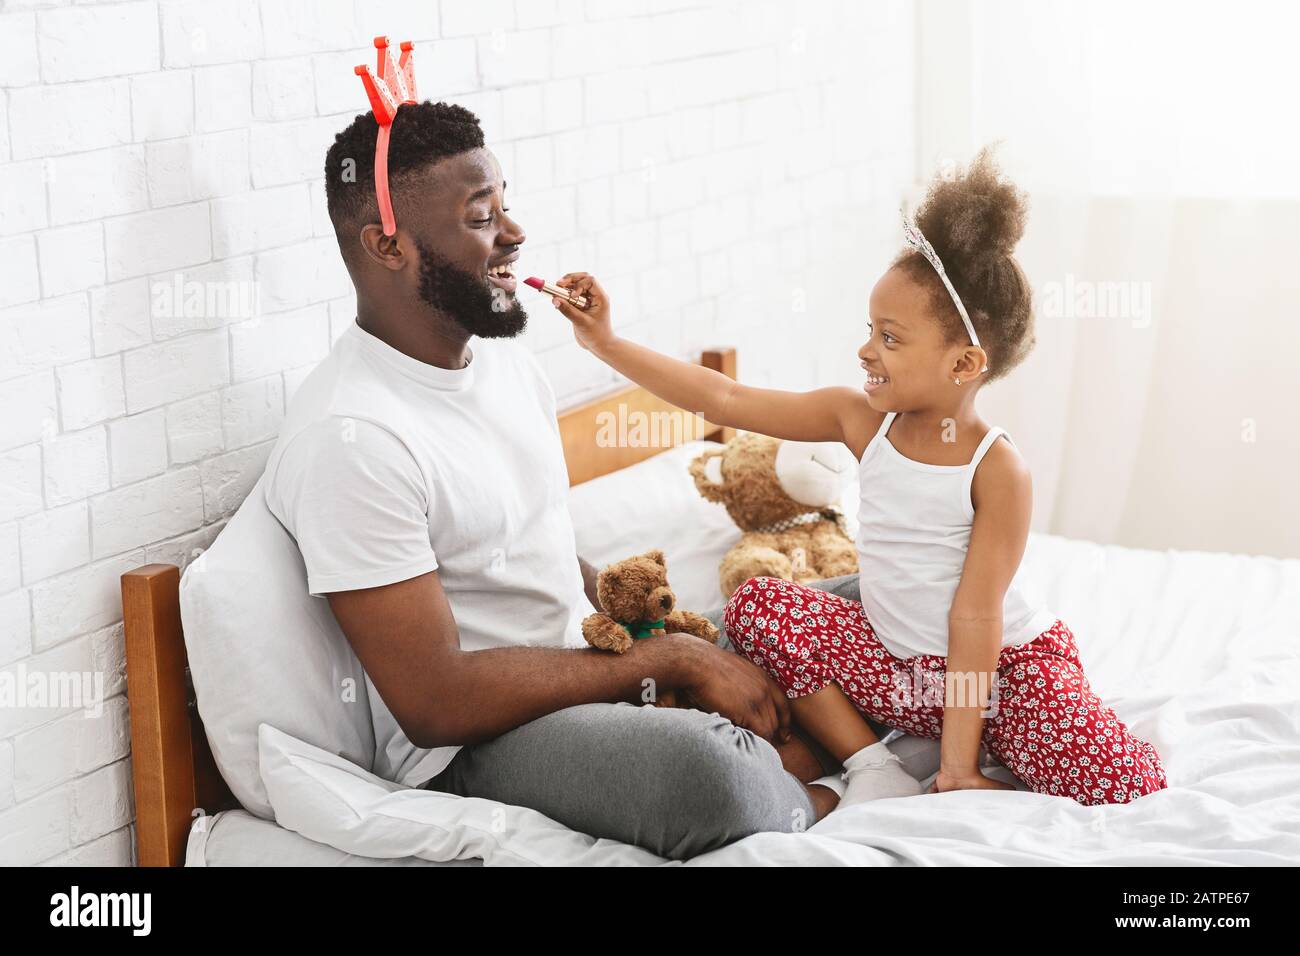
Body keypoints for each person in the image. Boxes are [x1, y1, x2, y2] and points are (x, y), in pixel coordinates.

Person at [261, 100, 829, 862]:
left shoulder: (501, 364)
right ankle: (810, 781)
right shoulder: (352, 439)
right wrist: (671, 664)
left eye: (506, 205)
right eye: (481, 216)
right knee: (707, 776)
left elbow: (532, 547)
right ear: (387, 244)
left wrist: (652, 626)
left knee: (839, 613)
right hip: (486, 742)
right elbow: (435, 703)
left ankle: (797, 755)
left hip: (595, 665)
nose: (516, 234)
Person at [551, 148, 1169, 809]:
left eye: (891, 338)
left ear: (963, 363)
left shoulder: (997, 469)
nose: (865, 350)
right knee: (762, 604)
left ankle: (977, 748)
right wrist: (606, 344)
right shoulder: (858, 419)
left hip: (1001, 669)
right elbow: (725, 400)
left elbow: (975, 616)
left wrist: (958, 767)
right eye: (869, 330)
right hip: (901, 671)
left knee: (1126, 786)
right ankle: (871, 763)